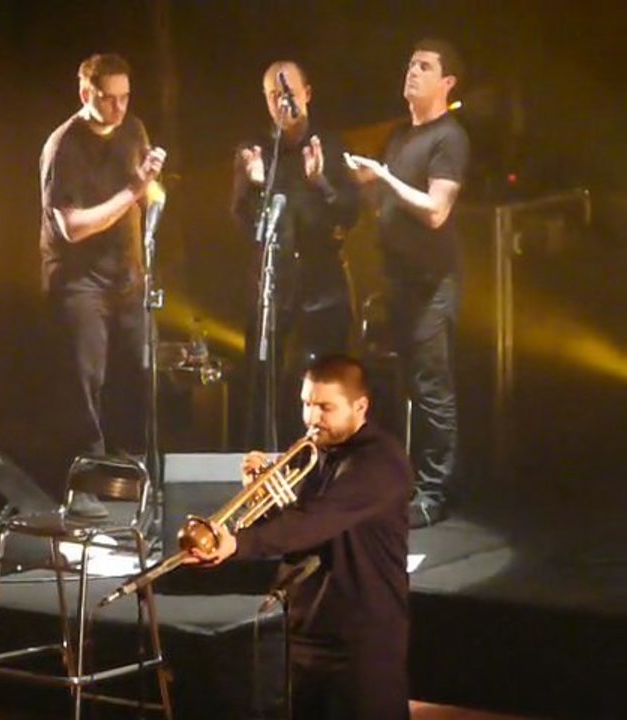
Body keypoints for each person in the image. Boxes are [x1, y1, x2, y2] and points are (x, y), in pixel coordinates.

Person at [185, 355, 413, 719]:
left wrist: (238, 544)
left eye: (325, 407)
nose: (311, 418)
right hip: (309, 628)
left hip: (361, 640)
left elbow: (314, 521)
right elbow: (301, 533)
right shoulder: (318, 455)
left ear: (360, 406)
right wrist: (263, 497)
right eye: (306, 404)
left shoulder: (380, 463)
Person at [345, 39, 469, 528]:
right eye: (410, 64)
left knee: (432, 388)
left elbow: (436, 210)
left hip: (432, 284)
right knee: (403, 386)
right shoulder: (400, 136)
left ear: (447, 83)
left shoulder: (449, 137)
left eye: (424, 66)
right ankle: (402, 481)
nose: (411, 72)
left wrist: (385, 177)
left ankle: (435, 494)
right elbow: (391, 201)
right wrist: (365, 180)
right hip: (397, 280)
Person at [39, 53, 166, 517]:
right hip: (79, 282)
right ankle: (86, 487)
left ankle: (131, 476)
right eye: (107, 98)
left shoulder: (133, 129)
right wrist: (132, 190)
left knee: (137, 372)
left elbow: (143, 193)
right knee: (85, 381)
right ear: (84, 93)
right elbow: (72, 226)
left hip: (127, 275)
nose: (117, 108)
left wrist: (149, 186)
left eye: (124, 97)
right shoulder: (63, 146)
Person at [232, 60, 360, 451]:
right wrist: (255, 186)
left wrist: (321, 183)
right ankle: (266, 464)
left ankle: (332, 462)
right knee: (265, 378)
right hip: (274, 284)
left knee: (329, 379)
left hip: (323, 284)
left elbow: (351, 214)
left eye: (288, 93)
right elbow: (244, 224)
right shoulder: (255, 151)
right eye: (273, 95)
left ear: (307, 93)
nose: (282, 102)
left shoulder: (331, 146)